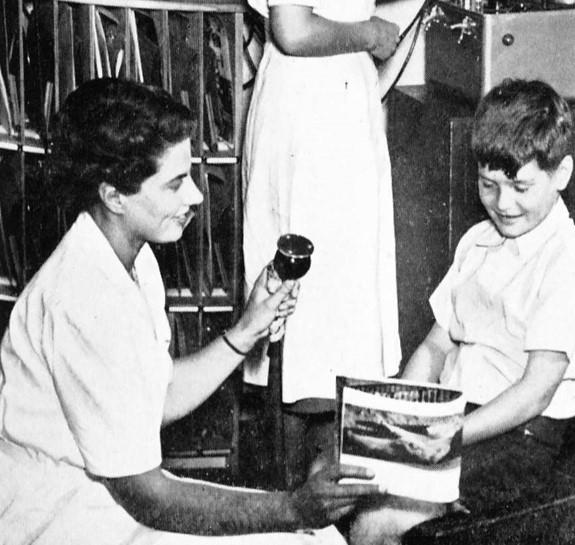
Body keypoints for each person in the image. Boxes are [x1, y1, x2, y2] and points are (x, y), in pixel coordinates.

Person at [241, 0, 537, 464]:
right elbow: (293, 27)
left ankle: (330, 484)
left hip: (334, 116)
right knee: (305, 321)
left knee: (335, 316)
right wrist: (372, 35)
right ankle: (297, 493)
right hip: (309, 122)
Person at [0, 77, 381, 545]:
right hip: (61, 516)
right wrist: (288, 507)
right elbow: (146, 496)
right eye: (176, 183)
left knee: (320, 540)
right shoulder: (79, 299)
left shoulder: (131, 255)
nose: (197, 197)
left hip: (110, 496)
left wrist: (246, 330)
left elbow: (155, 398)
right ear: (113, 195)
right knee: (298, 537)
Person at [347, 79, 575, 545]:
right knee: (337, 477)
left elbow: (534, 392)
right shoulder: (478, 241)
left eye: (520, 186)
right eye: (489, 185)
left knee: (379, 519)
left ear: (562, 173)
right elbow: (435, 344)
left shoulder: (571, 263)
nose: (503, 204)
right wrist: (403, 413)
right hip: (459, 416)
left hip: (523, 436)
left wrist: (447, 437)